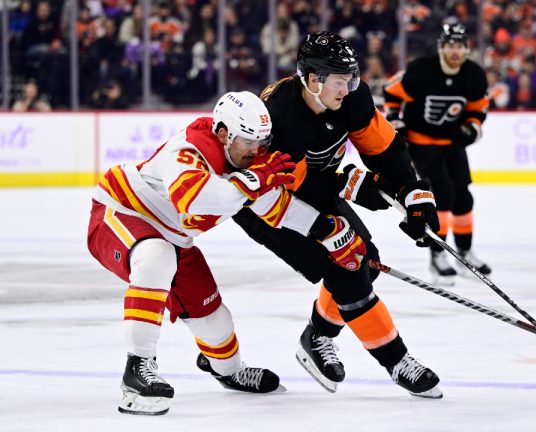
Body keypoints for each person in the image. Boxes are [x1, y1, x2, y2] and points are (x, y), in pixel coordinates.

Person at [231, 31, 443, 399]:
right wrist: (346, 195)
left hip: (307, 188)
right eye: (341, 80)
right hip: (264, 206)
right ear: (313, 80)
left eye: (352, 78)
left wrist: (410, 191)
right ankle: (397, 361)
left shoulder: (352, 99)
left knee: (365, 260)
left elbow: (386, 149)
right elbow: (281, 194)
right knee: (345, 265)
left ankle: (318, 336)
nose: (349, 88)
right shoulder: (279, 118)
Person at [87, 91, 303, 415]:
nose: (257, 151)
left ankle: (227, 371)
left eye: (263, 141)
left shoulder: (252, 161)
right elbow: (195, 198)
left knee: (216, 321)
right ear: (222, 134)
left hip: (176, 237)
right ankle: (137, 369)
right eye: (248, 141)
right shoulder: (191, 146)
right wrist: (252, 181)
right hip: (123, 211)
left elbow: (278, 210)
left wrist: (330, 233)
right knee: (155, 256)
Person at [383, 23, 491, 286]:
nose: (455, 51)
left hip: (452, 142)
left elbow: (478, 109)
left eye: (459, 46)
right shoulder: (421, 70)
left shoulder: (474, 75)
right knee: (442, 193)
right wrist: (396, 119)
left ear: (466, 49)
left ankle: (464, 253)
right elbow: (391, 92)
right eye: (450, 45)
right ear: (442, 48)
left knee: (463, 196)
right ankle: (437, 255)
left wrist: (473, 128)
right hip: (421, 142)